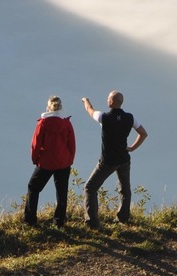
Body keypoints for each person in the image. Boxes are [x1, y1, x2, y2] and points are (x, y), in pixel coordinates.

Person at [81, 90, 148, 226]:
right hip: (124, 159)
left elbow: (90, 110)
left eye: (108, 98)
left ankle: (92, 222)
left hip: (108, 161)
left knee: (90, 188)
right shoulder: (130, 118)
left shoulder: (104, 117)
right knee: (125, 189)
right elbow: (143, 133)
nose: (107, 100)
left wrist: (85, 100)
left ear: (111, 102)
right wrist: (132, 148)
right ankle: (123, 218)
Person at [25, 95, 76, 226]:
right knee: (61, 192)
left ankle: (30, 221)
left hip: (46, 162)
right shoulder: (66, 123)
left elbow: (35, 144)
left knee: (33, 188)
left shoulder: (42, 123)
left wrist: (35, 160)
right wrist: (69, 160)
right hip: (63, 162)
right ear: (61, 108)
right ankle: (59, 222)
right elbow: (72, 144)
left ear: (48, 107)